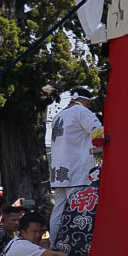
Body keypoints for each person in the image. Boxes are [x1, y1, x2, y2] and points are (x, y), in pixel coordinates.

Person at [49, 89, 101, 227]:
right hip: (76, 169)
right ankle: (73, 238)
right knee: (77, 208)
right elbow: (98, 132)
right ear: (87, 101)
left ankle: (54, 239)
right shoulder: (82, 111)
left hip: (58, 170)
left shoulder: (58, 116)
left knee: (58, 210)